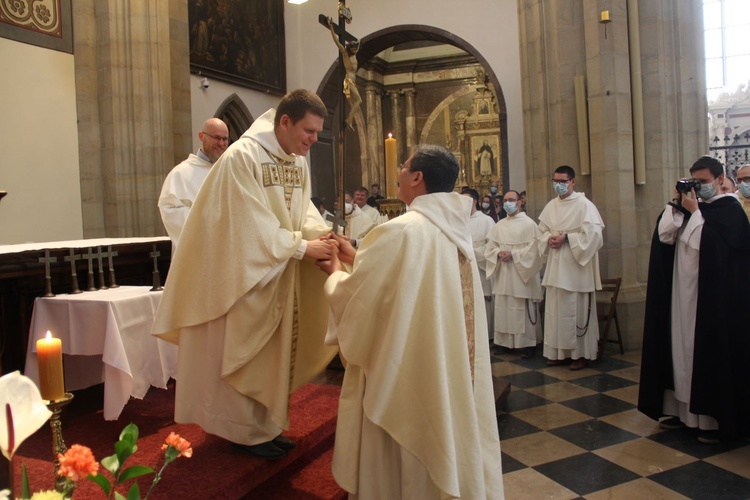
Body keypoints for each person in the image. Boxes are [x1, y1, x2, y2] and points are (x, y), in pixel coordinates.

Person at [151, 89, 337, 460]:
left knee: (272, 356)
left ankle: (263, 428)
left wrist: (325, 238)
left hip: (277, 274)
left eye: (317, 132)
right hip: (243, 277)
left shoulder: (296, 160)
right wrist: (301, 247)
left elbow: (303, 213)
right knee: (246, 353)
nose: (314, 140)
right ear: (285, 122)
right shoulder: (242, 157)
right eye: (309, 131)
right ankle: (242, 431)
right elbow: (245, 225)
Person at [316, 145, 504, 498]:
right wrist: (359, 257)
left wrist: (336, 273)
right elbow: (411, 283)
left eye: (403, 167)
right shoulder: (453, 230)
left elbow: (361, 303)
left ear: (417, 177)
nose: (399, 172)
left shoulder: (400, 231)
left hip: (409, 370)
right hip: (446, 366)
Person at [638, 156, 750, 444]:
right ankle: (682, 412)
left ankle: (711, 421)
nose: (698, 187)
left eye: (703, 182)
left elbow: (709, 245)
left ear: (719, 180)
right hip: (680, 298)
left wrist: (696, 213)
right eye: (693, 182)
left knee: (703, 354)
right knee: (679, 351)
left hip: (709, 301)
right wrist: (677, 209)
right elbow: (665, 237)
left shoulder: (730, 210)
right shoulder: (690, 209)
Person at [538, 165, 604, 370]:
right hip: (557, 267)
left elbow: (595, 236)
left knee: (576, 311)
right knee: (555, 312)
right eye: (555, 181)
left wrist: (567, 238)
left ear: (573, 182)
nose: (558, 185)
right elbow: (540, 232)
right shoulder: (551, 206)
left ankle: (579, 355)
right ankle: (557, 352)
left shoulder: (585, 205)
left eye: (562, 181)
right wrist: (549, 238)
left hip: (576, 269)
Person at [485, 190, 543, 357]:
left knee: (520, 307)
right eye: (505, 200)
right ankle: (504, 343)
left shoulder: (529, 224)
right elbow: (490, 247)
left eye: (511, 200)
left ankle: (526, 344)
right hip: (504, 273)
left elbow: (535, 250)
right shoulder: (500, 225)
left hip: (521, 274)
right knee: (503, 306)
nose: (508, 203)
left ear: (519, 203)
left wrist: (514, 255)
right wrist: (497, 253)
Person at [158, 117, 229, 252]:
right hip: (196, 255)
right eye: (216, 137)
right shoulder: (181, 173)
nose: (221, 143)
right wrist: (209, 221)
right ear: (201, 136)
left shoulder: (230, 171)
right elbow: (169, 211)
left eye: (225, 139)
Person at [462, 188, 496, 337]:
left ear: (474, 201)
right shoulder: (459, 220)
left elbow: (493, 245)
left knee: (483, 299)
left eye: (465, 200)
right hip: (463, 267)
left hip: (481, 267)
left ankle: (486, 335)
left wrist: (472, 253)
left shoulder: (486, 220)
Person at [327, 18, 362, 130]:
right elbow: (336, 41)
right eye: (353, 48)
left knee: (353, 103)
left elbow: (359, 43)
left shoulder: (355, 54)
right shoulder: (345, 54)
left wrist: (358, 42)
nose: (355, 50)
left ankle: (350, 121)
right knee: (359, 100)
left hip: (353, 82)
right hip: (348, 80)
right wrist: (331, 27)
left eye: (355, 48)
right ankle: (348, 120)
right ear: (349, 48)